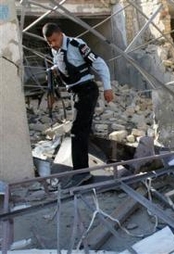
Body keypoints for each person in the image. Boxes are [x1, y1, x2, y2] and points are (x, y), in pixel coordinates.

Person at [42, 22, 114, 188]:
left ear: (60, 34)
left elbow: (99, 63)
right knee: (84, 127)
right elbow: (65, 64)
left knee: (77, 131)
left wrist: (108, 88)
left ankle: (81, 173)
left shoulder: (77, 45)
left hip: (87, 90)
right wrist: (55, 69)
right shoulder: (55, 50)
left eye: (54, 40)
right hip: (76, 92)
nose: (52, 44)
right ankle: (94, 158)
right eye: (49, 42)